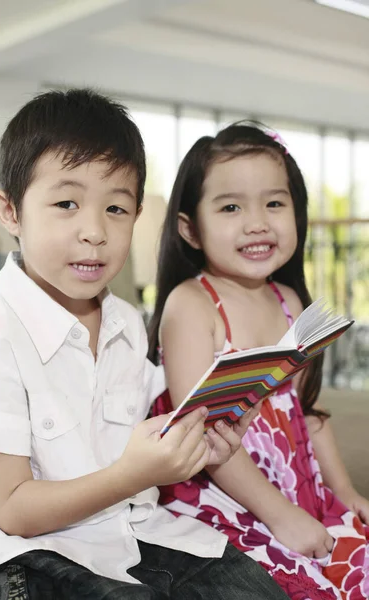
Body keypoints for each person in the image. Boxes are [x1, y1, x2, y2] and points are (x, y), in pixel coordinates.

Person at [0, 90, 291, 600]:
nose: (95, 231)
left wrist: (203, 436)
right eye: (66, 203)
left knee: (259, 591)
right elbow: (14, 510)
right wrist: (129, 475)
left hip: (134, 527)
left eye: (116, 208)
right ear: (11, 212)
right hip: (32, 547)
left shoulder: (127, 323)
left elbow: (148, 427)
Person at [148, 123, 369, 600]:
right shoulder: (193, 304)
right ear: (190, 228)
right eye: (231, 207)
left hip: (296, 487)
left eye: (274, 202)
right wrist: (279, 515)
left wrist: (345, 492)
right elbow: (205, 435)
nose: (257, 223)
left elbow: (307, 412)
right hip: (227, 490)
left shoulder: (289, 299)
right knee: (289, 584)